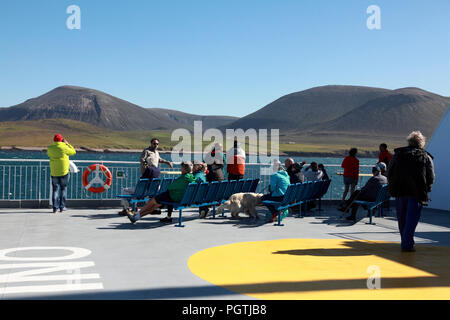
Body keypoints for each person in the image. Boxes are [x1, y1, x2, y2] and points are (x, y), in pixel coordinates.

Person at [387, 131, 435, 252]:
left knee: (401, 217)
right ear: (421, 143)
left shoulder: (398, 154)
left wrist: (392, 185)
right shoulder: (426, 156)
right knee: (412, 218)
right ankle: (407, 244)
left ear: (409, 141)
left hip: (400, 190)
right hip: (417, 192)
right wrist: (428, 188)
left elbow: (390, 171)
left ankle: (405, 240)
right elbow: (431, 175)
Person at [126, 161, 196, 224]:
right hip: (181, 197)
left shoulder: (184, 177)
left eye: (182, 168)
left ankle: (136, 215)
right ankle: (136, 217)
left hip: (173, 197)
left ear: (185, 169)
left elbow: (171, 187)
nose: (181, 169)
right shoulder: (192, 178)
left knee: (152, 201)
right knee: (155, 205)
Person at [47, 134, 76, 213]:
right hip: (64, 172)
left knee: (55, 190)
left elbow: (48, 154)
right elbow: (73, 152)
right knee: (63, 189)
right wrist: (67, 144)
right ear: (61, 140)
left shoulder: (50, 148)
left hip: (54, 172)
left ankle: (55, 208)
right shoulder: (65, 147)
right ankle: (62, 207)